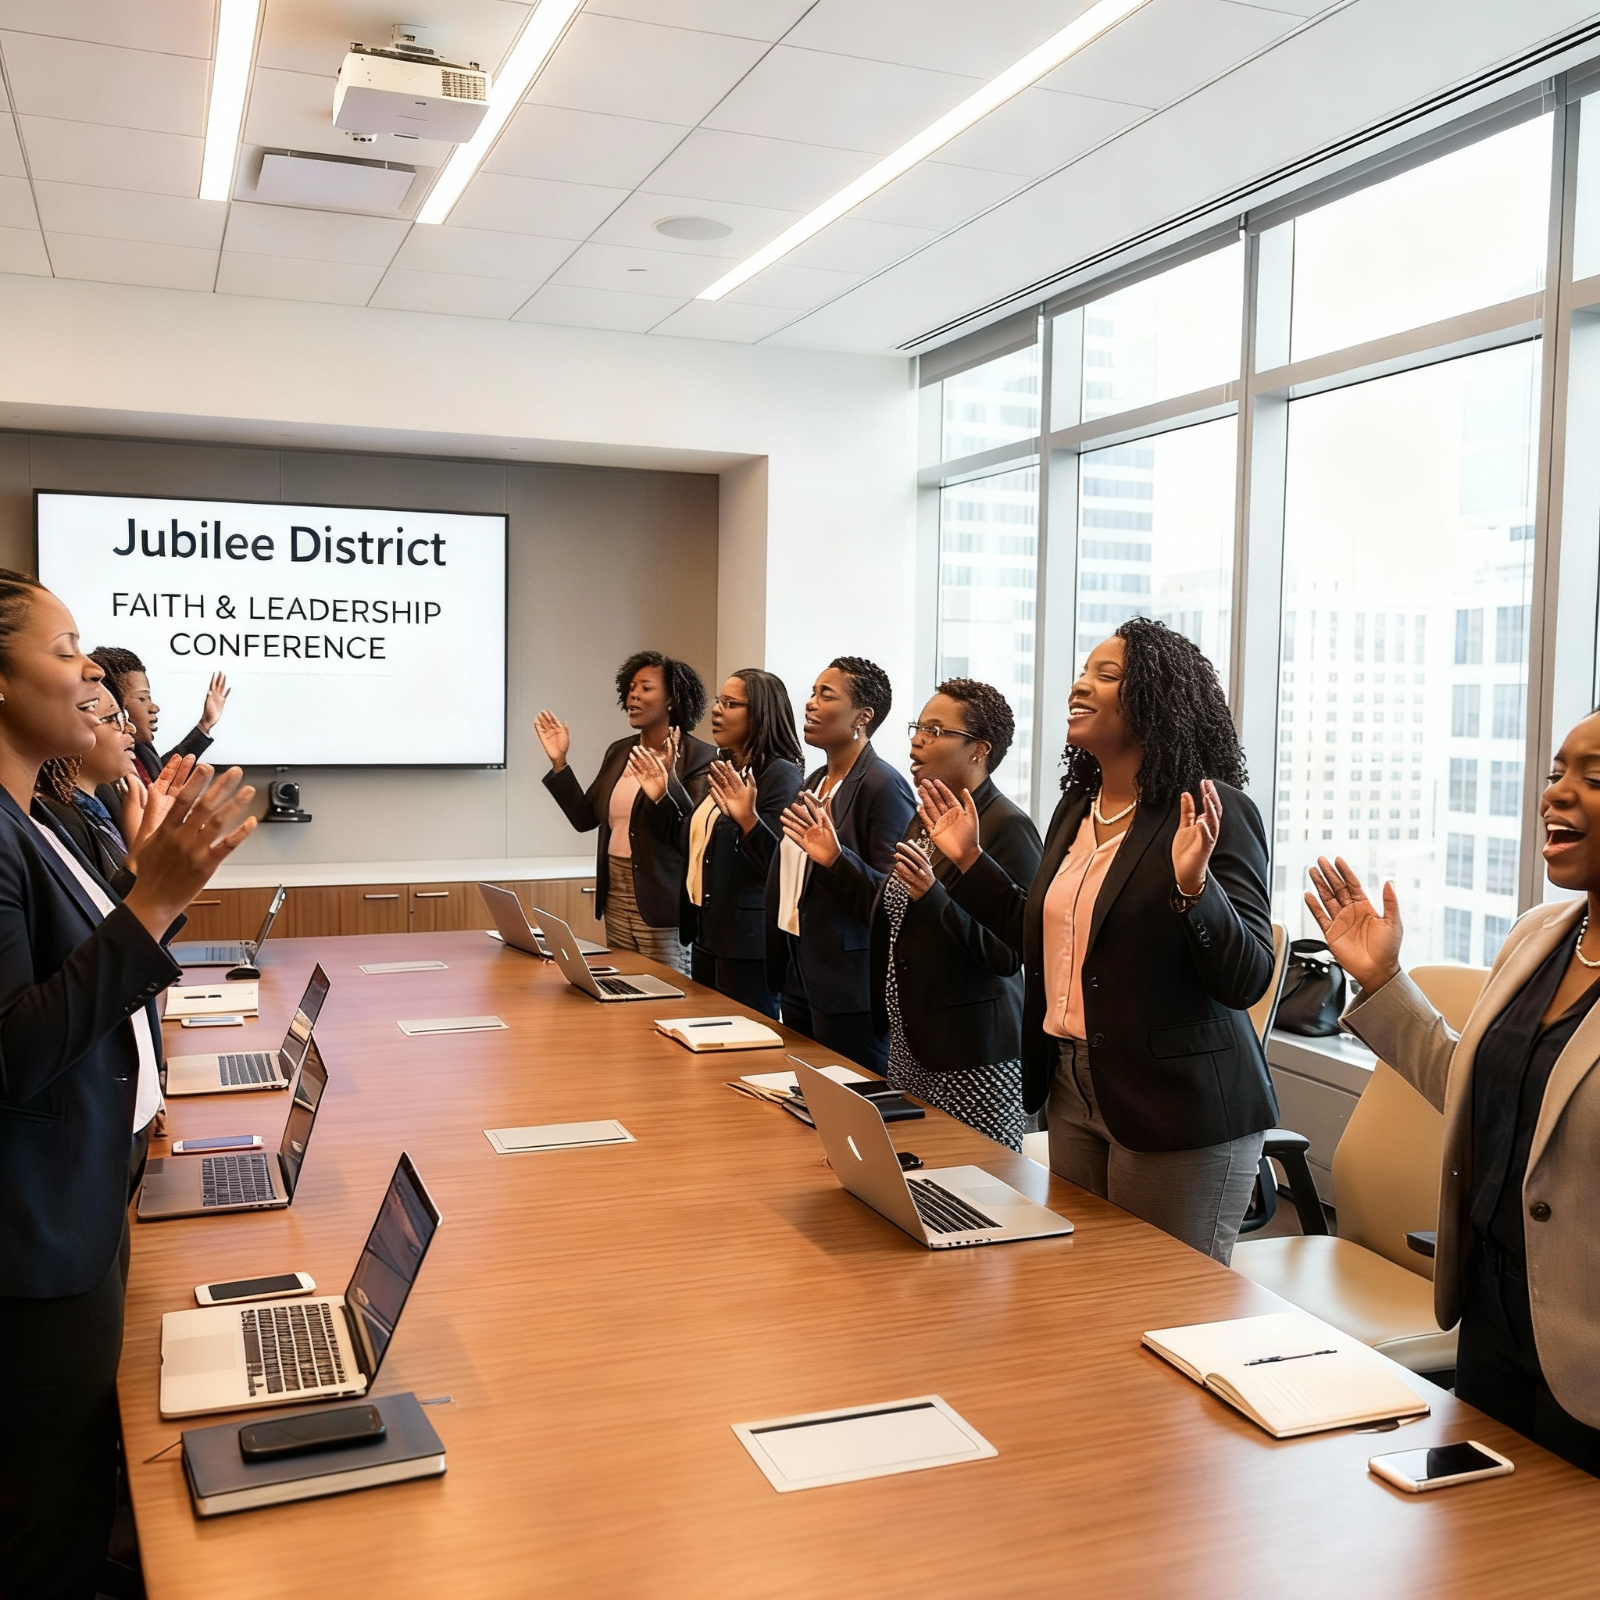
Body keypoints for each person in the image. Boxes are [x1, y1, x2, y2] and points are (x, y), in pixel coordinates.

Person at [0, 571, 256, 1600]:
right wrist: (151, 899)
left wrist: (147, 895)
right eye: (67, 652)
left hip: (79, 1208)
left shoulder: (34, 820)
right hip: (32, 1243)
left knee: (75, 1488)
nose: (91, 672)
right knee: (40, 1517)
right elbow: (13, 1053)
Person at [920, 618, 1276, 1263]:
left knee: (1163, 1297)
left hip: (1178, 1103)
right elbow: (1047, 945)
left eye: (1105, 676)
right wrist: (969, 863)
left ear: (1156, 700)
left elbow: (1247, 976)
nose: (1080, 686)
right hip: (1073, 1084)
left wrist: (1196, 888)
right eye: (1083, 672)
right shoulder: (1076, 808)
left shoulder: (1211, 807)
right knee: (1085, 1285)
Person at [1306, 709, 1600, 1477]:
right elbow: (1477, 1095)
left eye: (1592, 778)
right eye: (1554, 774)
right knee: (1477, 1548)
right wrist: (1380, 980)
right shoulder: (1540, 934)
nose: (1557, 795)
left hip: (1589, 1345)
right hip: (1492, 1311)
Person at [812, 680, 1042, 1149]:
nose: (917, 740)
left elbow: (1009, 954)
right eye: (919, 727)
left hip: (970, 1052)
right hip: (912, 1042)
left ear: (979, 749)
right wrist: (835, 861)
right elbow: (894, 913)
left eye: (935, 731)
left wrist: (934, 897)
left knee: (979, 1191)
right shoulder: (927, 815)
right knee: (919, 1180)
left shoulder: (1007, 827)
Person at [769, 656, 915, 1073]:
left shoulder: (882, 786)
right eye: (812, 693)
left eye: (825, 695)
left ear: (862, 717)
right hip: (801, 966)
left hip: (848, 981)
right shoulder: (814, 779)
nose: (810, 704)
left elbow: (894, 898)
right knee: (805, 1097)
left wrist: (836, 859)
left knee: (852, 1101)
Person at [632, 669, 803, 1016]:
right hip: (709, 932)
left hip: (746, 941)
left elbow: (778, 864)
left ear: (760, 714)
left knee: (745, 1043)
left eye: (731, 704)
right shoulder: (726, 766)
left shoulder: (779, 774)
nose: (717, 710)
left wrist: (748, 819)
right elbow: (694, 845)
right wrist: (665, 794)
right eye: (718, 701)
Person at [535, 651, 713, 975]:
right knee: (626, 985)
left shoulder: (698, 757)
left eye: (646, 688)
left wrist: (666, 784)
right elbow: (585, 818)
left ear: (672, 699)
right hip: (616, 893)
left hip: (662, 900)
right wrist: (560, 763)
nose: (633, 694)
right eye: (631, 687)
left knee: (665, 991)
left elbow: (689, 833)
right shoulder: (620, 751)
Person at [34, 686, 143, 883]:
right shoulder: (57, 818)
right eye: (113, 718)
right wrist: (141, 845)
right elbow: (104, 909)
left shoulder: (106, 802)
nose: (130, 728)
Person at [88, 646, 229, 781]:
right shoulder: (99, 769)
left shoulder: (143, 751)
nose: (154, 708)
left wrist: (205, 723)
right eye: (142, 698)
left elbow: (161, 779)